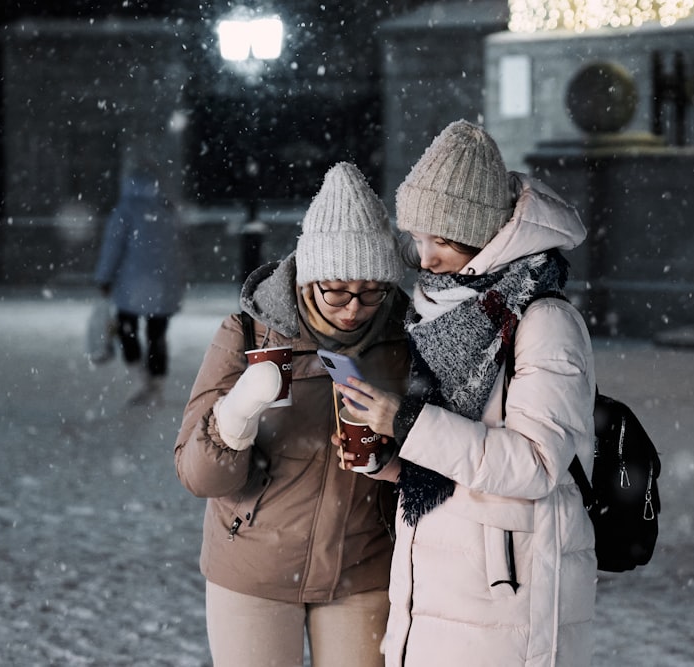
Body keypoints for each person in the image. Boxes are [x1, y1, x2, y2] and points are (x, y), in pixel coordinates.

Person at [333, 121, 597, 666]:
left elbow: (534, 464)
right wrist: (393, 461)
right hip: (439, 590)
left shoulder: (543, 321)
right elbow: (457, 459)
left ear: (483, 237)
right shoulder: (442, 313)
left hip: (507, 597)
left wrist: (408, 423)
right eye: (419, 240)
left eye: (441, 242)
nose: (425, 260)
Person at [175, 162, 411, 667]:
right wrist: (237, 413)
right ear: (310, 277)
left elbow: (443, 462)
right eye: (338, 291)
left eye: (373, 292)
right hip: (253, 569)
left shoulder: (405, 343)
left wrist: (391, 450)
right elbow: (198, 475)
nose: (353, 308)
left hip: (363, 569)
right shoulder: (248, 332)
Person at [92, 160, 185, 406]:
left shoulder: (124, 211)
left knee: (127, 331)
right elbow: (177, 253)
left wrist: (104, 277)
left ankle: (140, 378)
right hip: (163, 287)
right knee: (157, 335)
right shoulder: (166, 210)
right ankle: (157, 382)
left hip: (130, 287)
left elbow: (113, 247)